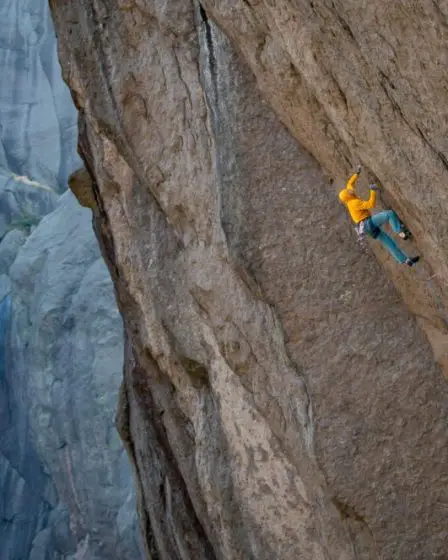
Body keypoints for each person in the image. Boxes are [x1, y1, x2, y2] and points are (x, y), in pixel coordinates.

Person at [339, 165, 420, 267]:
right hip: (367, 223)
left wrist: (357, 173)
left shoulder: (348, 198)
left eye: (348, 190)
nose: (350, 190)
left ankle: (405, 260)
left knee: (389, 243)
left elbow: (350, 184)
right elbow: (370, 205)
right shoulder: (354, 203)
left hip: (365, 229)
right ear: (348, 195)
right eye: (349, 192)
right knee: (389, 214)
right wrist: (372, 191)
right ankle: (399, 231)